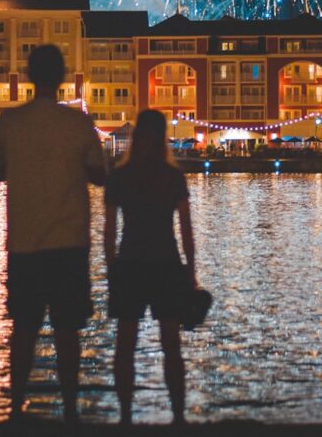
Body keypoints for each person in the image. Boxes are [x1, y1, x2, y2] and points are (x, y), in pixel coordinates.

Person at [0, 45, 106, 423]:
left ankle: (16, 408)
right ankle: (70, 410)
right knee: (68, 330)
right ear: (63, 78)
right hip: (69, 242)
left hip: (24, 243)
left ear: (28, 76)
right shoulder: (79, 124)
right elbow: (100, 174)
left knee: (24, 327)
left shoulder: (9, 123)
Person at [104, 109, 197, 425]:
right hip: (166, 262)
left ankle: (126, 416)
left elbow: (108, 230)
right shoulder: (173, 177)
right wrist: (191, 272)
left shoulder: (120, 176)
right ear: (163, 138)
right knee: (171, 344)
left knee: (125, 343)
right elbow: (185, 229)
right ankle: (178, 416)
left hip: (129, 261)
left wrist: (111, 268)